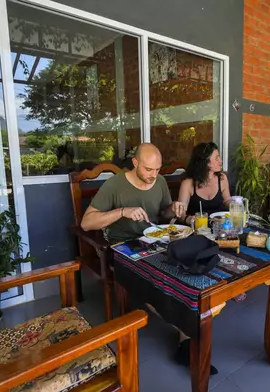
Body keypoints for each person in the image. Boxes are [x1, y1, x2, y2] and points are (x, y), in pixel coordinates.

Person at [80, 143, 218, 375]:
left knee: (185, 268)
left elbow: (162, 214)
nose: (154, 175)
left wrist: (172, 209)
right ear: (134, 163)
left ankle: (192, 322)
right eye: (148, 170)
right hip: (125, 246)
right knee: (154, 280)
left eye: (157, 169)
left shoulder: (160, 181)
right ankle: (189, 336)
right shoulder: (114, 185)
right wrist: (122, 211)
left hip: (157, 240)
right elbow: (87, 222)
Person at [177, 142, 232, 223]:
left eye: (219, 157)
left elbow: (226, 200)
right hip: (197, 229)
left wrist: (233, 205)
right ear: (205, 162)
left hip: (220, 226)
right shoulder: (188, 183)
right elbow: (180, 214)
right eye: (216, 158)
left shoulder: (222, 178)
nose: (221, 161)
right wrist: (188, 219)